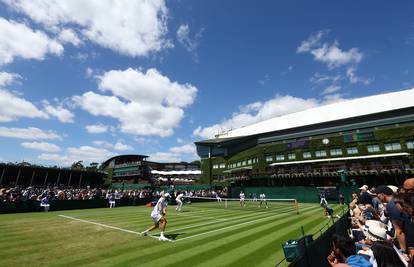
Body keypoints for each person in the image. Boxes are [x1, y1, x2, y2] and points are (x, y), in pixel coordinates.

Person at [374, 185, 409, 256]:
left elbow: (399, 230)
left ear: (382, 194)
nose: (377, 198)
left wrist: (404, 252)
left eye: (378, 196)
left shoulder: (391, 205)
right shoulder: (398, 200)